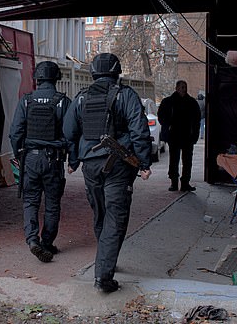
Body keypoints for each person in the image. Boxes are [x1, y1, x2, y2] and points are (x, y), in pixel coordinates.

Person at [63, 53, 152, 293]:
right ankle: (103, 275)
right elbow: (139, 131)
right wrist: (144, 164)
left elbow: (69, 132)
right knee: (115, 217)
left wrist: (74, 160)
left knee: (100, 213)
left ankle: (105, 260)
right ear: (117, 72)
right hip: (118, 166)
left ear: (93, 72)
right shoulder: (126, 95)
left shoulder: (81, 98)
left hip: (91, 166)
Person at [9, 61, 73, 263]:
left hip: (30, 158)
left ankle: (32, 240)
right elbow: (71, 133)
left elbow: (15, 133)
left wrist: (19, 154)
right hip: (53, 159)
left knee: (30, 201)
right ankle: (47, 243)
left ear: (37, 79)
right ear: (56, 79)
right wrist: (73, 158)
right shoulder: (63, 101)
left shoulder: (26, 100)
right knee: (52, 203)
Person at [157, 80, 201, 192]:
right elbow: (161, 116)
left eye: (185, 87)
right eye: (181, 87)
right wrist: (168, 125)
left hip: (187, 137)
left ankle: (185, 183)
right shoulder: (168, 102)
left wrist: (195, 135)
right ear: (176, 88)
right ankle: (174, 183)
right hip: (174, 136)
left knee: (187, 161)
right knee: (174, 160)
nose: (183, 89)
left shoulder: (191, 103)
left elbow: (197, 120)